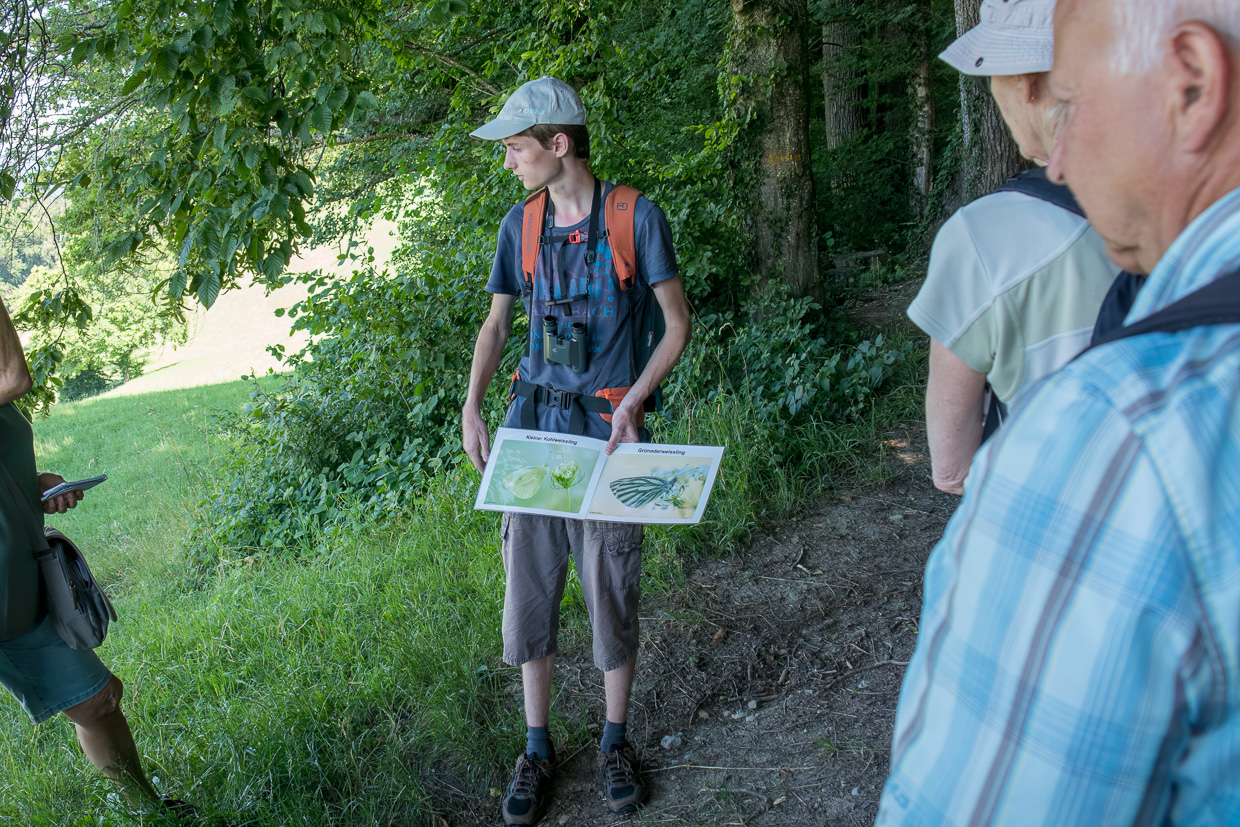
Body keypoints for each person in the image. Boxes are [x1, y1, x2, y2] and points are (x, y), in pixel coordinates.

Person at [878, 0, 1240, 823]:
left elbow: (950, 463)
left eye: (1069, 101)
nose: (1062, 160)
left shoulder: (1111, 443)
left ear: (1193, 80)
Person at [461, 76, 691, 825]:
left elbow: (677, 324)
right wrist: (472, 405)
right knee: (529, 593)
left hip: (608, 437)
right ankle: (536, 747)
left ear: (559, 145)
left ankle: (615, 742)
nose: (509, 163)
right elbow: (497, 328)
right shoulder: (519, 226)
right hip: (531, 437)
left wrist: (632, 401)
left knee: (610, 586)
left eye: (517, 148)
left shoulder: (635, 217)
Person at [908, 0, 1120, 495]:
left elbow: (953, 469)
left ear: (1027, 83)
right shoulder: (1206, 203)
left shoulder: (984, 239)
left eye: (991, 78)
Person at [0, 296, 194, 821]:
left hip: (17, 579)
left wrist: (33, 486)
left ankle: (149, 811)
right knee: (96, 700)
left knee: (100, 699)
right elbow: (13, 376)